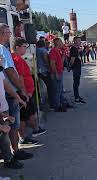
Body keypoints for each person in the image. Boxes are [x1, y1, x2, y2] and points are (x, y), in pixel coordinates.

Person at [0, 23, 32, 160]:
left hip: (7, 92)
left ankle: (13, 151)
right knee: (13, 124)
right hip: (9, 93)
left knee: (12, 124)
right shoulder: (2, 49)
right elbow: (11, 73)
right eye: (7, 32)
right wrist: (21, 90)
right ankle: (15, 152)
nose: (9, 35)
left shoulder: (4, 49)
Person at [11, 38, 46, 145]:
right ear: (17, 47)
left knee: (25, 116)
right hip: (24, 93)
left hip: (25, 92)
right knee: (25, 116)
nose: (26, 49)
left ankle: (28, 134)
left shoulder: (17, 58)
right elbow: (20, 77)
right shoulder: (17, 59)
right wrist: (25, 93)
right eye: (24, 47)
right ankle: (24, 137)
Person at [49, 38, 67, 112]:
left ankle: (60, 103)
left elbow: (60, 62)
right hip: (56, 73)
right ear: (57, 43)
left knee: (60, 89)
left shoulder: (58, 51)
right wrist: (56, 73)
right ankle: (57, 106)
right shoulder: (53, 51)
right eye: (61, 42)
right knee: (57, 90)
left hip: (59, 72)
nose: (62, 43)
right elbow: (52, 63)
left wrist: (63, 56)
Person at [36, 40, 54, 108]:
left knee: (40, 87)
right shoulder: (43, 50)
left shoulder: (36, 50)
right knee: (50, 87)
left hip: (38, 71)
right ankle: (51, 103)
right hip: (44, 71)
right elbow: (45, 60)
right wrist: (49, 67)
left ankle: (41, 102)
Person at [69, 37, 86, 103]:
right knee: (76, 82)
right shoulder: (74, 49)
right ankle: (76, 97)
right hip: (76, 68)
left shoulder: (76, 49)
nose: (80, 41)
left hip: (77, 67)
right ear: (75, 41)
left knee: (77, 82)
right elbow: (72, 60)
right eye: (79, 40)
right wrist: (70, 67)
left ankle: (77, 96)